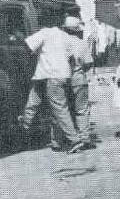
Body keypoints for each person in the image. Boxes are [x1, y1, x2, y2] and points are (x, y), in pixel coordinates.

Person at [21, 14, 83, 154]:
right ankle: (50, 139)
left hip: (48, 75)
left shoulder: (44, 33)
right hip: (58, 76)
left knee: (57, 109)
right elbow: (71, 59)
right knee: (35, 102)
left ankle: (75, 140)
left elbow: (27, 46)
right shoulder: (65, 36)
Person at [67, 15, 96, 152]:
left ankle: (68, 138)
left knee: (65, 110)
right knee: (82, 109)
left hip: (64, 79)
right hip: (79, 79)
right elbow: (89, 63)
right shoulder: (81, 43)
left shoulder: (61, 42)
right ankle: (84, 138)